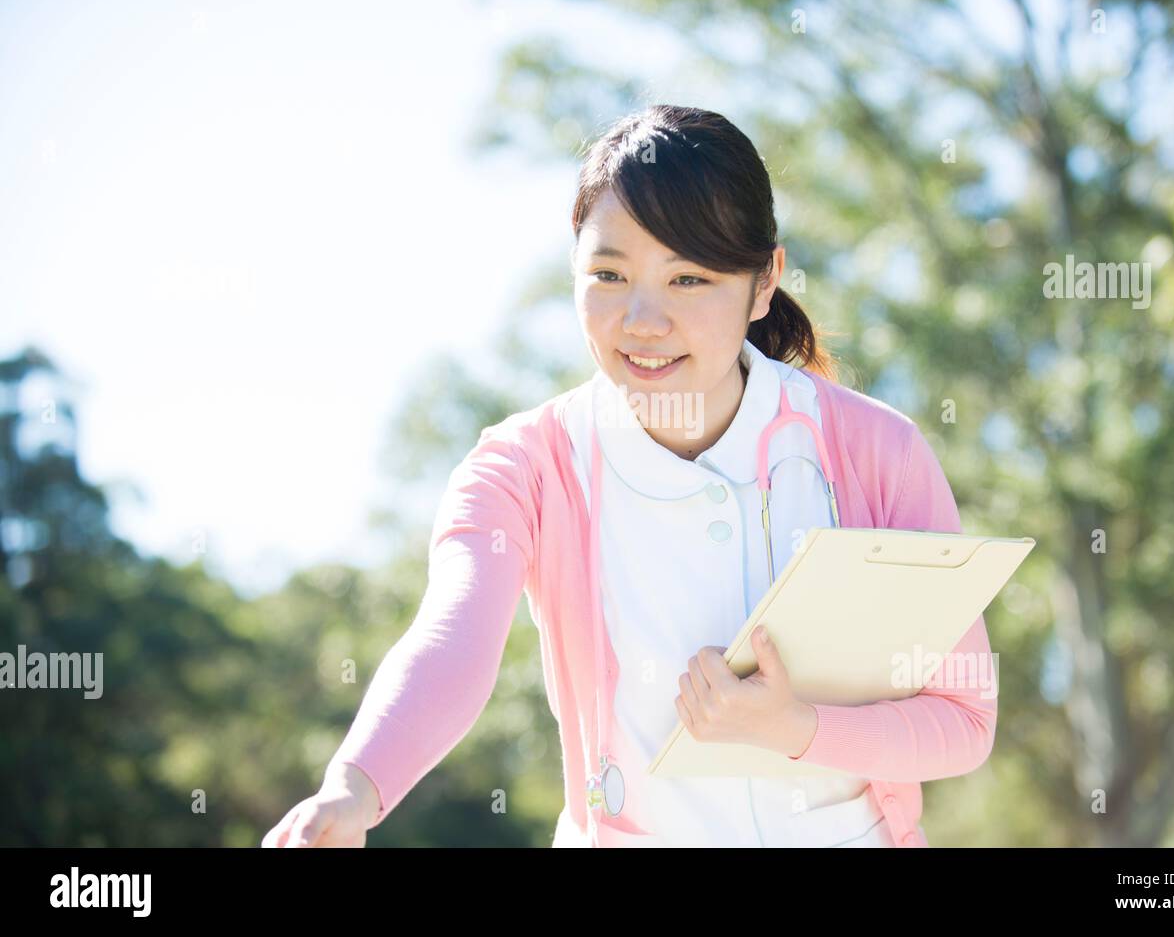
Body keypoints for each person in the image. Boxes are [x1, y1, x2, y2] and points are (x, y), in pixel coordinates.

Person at [263, 104, 996, 848]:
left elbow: (964, 722)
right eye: (609, 273)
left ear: (764, 281)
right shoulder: (522, 467)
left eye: (689, 278)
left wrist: (795, 727)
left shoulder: (877, 452)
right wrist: (354, 788)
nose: (643, 320)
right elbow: (451, 641)